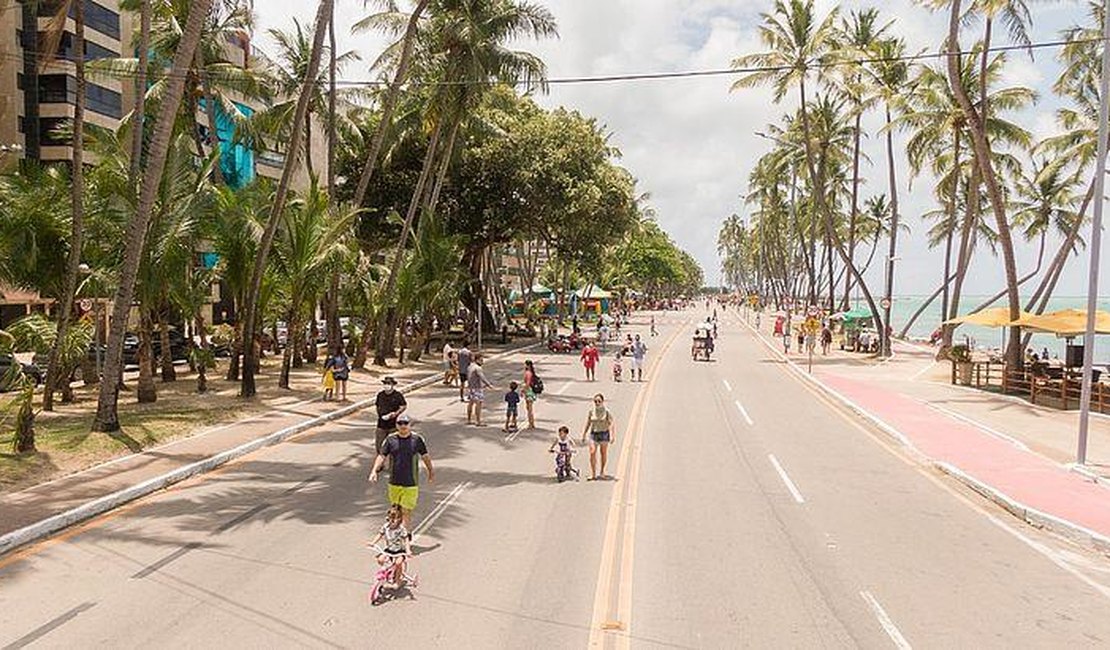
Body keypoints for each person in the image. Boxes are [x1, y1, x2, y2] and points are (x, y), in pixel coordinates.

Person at [369, 414, 434, 531]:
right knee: (396, 509)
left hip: (411, 482)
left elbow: (425, 456)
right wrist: (374, 471)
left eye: (405, 423)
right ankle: (396, 536)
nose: (403, 426)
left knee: (406, 510)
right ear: (396, 425)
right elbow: (382, 456)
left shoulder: (417, 439)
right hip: (394, 481)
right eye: (400, 423)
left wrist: (430, 471)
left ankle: (406, 535)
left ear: (410, 425)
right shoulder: (390, 440)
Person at [369, 504, 412, 587]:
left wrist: (408, 550)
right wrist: (373, 542)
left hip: (399, 551)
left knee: (398, 563)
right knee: (380, 559)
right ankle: (388, 571)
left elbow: (406, 539)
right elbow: (380, 535)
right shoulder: (386, 527)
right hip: (389, 550)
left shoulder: (401, 529)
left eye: (393, 519)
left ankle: (397, 580)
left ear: (399, 519)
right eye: (389, 519)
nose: (391, 521)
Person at [581, 394, 615, 481]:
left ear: (602, 401)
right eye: (595, 401)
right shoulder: (591, 411)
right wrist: (584, 434)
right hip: (594, 434)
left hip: (604, 434)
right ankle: (593, 474)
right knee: (592, 452)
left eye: (599, 401)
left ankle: (602, 471)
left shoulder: (607, 412)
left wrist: (612, 435)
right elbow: (588, 423)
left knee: (603, 453)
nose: (597, 403)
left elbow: (611, 423)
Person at [375, 376, 407, 456]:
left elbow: (403, 406)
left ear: (393, 385)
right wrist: (379, 414)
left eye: (388, 383)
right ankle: (380, 464)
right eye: (385, 383)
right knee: (379, 445)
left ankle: (394, 465)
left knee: (394, 446)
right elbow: (377, 406)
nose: (386, 385)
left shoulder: (397, 395)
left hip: (393, 425)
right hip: (381, 424)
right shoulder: (380, 395)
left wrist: (396, 413)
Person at [466, 353, 494, 426]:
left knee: (470, 403)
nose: (482, 362)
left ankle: (469, 419)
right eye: (481, 360)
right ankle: (478, 421)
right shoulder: (478, 368)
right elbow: (482, 377)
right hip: (477, 388)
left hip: (470, 387)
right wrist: (489, 385)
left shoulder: (470, 366)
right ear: (477, 360)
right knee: (478, 404)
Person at [522, 360, 539, 430]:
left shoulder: (528, 373)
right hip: (530, 391)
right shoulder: (531, 373)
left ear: (528, 365)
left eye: (525, 364)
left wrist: (523, 390)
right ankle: (531, 423)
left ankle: (531, 423)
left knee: (529, 408)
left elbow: (527, 383)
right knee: (529, 408)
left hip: (529, 391)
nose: (524, 366)